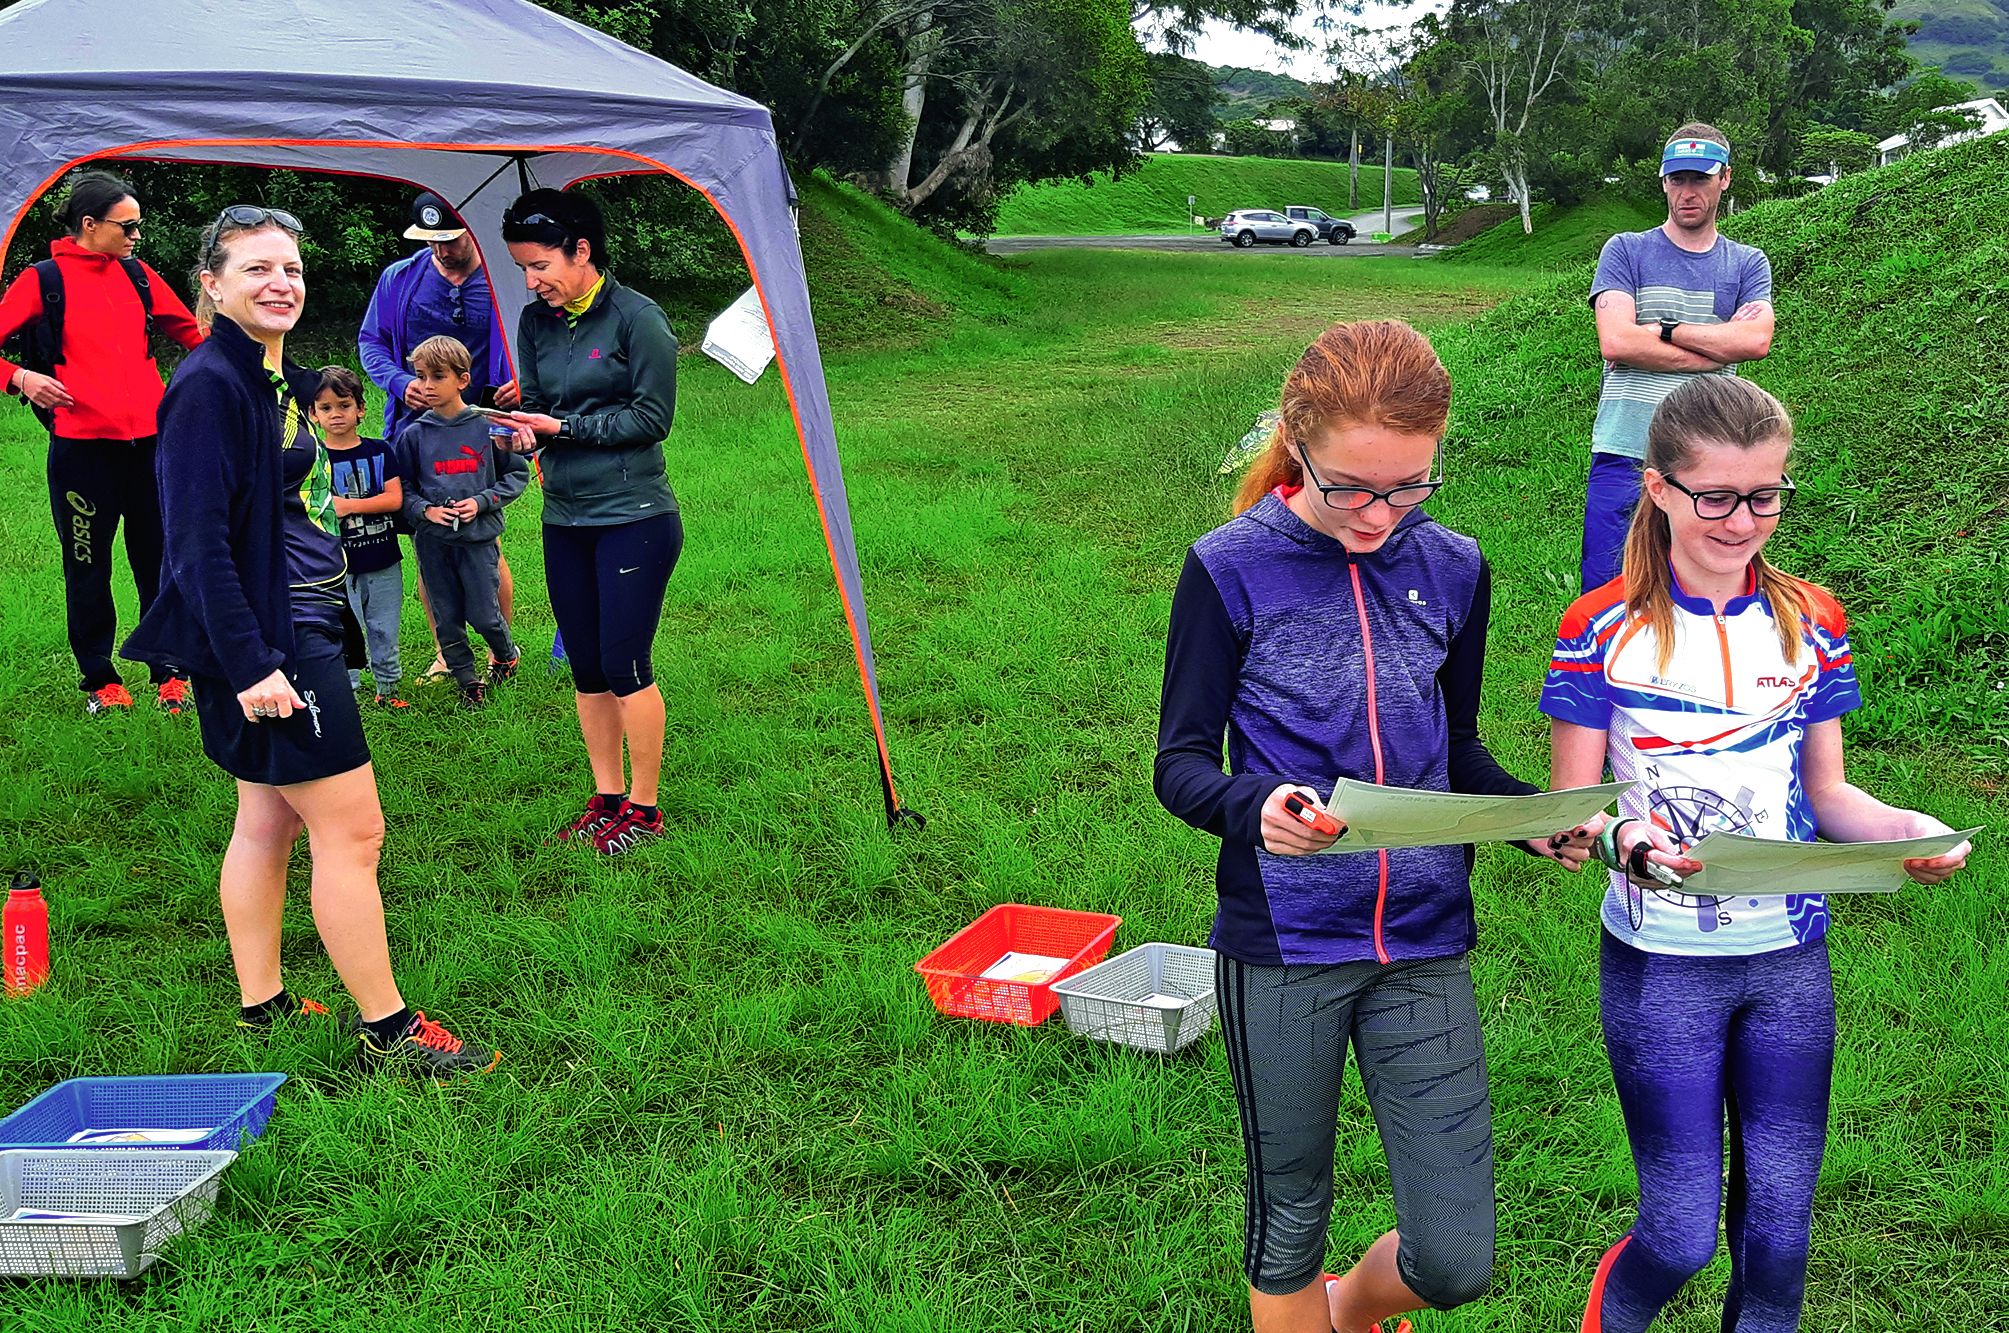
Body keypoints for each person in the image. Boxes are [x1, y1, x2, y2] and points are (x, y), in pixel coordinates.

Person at [1154, 320, 1596, 1333]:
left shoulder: (1451, 566)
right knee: (1287, 1219)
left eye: (1407, 486)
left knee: (1455, 1258)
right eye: (1352, 486)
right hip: (1284, 947)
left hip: (1424, 942)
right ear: (1297, 444)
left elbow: (1456, 748)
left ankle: (1350, 1310)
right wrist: (1252, 806)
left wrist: (1524, 817)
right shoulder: (1227, 568)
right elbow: (1178, 765)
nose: (1377, 513)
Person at [1541, 375, 1968, 1332]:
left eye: (1764, 494)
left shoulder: (1811, 617)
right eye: (1716, 497)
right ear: (1656, 488)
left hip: (1786, 963)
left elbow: (1829, 793)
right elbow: (1575, 814)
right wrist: (1628, 840)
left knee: (1778, 1235)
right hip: (1663, 967)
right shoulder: (1597, 627)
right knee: (1683, 1234)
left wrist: (1906, 831)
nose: (1741, 521)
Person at [122, 205, 497, 1077]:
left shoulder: (259, 377)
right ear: (210, 287)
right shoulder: (209, 385)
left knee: (265, 819)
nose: (279, 282)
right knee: (353, 831)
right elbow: (195, 541)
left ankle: (265, 1003)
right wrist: (252, 662)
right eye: (255, 269)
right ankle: (389, 1032)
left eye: (288, 267)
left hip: (289, 619)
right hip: (270, 639)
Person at [496, 188, 680, 857]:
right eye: (523, 267)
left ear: (582, 250)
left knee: (626, 662)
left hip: (634, 516)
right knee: (587, 667)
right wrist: (522, 434)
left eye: (541, 263)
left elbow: (651, 419)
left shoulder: (639, 318)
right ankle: (605, 798)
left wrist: (562, 427)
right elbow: (539, 407)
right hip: (564, 515)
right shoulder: (534, 321)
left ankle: (645, 808)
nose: (532, 279)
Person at [0, 169, 204, 713]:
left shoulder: (137, 275)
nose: (137, 236)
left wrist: (242, 360)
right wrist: (21, 378)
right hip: (82, 449)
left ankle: (170, 671)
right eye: (128, 226)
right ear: (89, 225)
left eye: (139, 227)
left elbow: (190, 331)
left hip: (152, 446)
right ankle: (101, 681)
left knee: (159, 559)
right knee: (88, 566)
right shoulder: (42, 280)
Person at [1582, 123, 1775, 592]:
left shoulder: (1747, 263)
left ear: (1725, 178)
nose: (1687, 193)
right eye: (1677, 179)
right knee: (1607, 589)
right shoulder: (1625, 250)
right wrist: (1713, 350)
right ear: (1664, 180)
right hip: (1624, 449)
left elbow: (1754, 343)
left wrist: (1666, 329)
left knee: (1699, 588)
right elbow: (1617, 342)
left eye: (1700, 179)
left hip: (1704, 457)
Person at [357, 190, 520, 681]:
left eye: (450, 239)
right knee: (430, 538)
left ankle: (499, 650)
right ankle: (447, 652)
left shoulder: (505, 278)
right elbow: (371, 343)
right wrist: (401, 383)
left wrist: (521, 380)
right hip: (416, 431)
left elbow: (534, 338)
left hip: (482, 426)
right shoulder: (399, 279)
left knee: (483, 541)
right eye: (432, 241)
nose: (442, 250)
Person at [394, 335, 525, 707]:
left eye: (438, 377)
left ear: (463, 380)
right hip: (433, 542)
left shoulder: (490, 426)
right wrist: (425, 511)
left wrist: (481, 502)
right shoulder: (414, 435)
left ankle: (505, 654)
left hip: (478, 540)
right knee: (446, 617)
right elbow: (402, 487)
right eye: (420, 377)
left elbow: (515, 476)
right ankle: (469, 684)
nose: (426, 386)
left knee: (485, 615)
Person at [312, 365, 408, 709]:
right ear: (313, 414)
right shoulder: (312, 458)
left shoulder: (380, 451)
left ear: (361, 409)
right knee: (342, 629)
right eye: (325, 408)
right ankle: (345, 690)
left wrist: (348, 506)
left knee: (384, 628)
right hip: (333, 567)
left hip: (382, 559)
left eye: (343, 405)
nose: (336, 414)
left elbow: (394, 498)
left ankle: (389, 689)